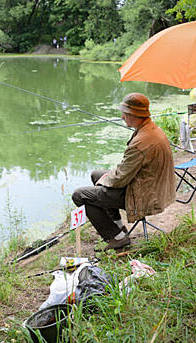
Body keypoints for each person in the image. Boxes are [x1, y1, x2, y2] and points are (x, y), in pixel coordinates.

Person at [72, 93, 176, 251]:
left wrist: (104, 182)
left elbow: (120, 178)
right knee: (97, 174)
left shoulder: (141, 142)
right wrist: (106, 179)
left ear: (135, 115)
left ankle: (116, 238)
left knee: (80, 195)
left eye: (125, 114)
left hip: (146, 196)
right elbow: (125, 170)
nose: (122, 117)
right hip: (152, 186)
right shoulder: (151, 129)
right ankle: (120, 228)